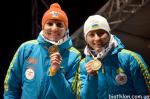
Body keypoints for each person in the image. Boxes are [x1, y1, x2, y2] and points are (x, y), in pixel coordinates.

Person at [4, 3, 81, 99]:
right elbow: (11, 85)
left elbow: (69, 96)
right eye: (49, 23)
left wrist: (56, 72)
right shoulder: (26, 48)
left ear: (66, 29)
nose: (54, 28)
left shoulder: (74, 56)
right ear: (43, 26)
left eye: (59, 24)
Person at [79, 15, 150, 99]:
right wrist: (91, 78)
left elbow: (146, 94)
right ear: (86, 38)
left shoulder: (131, 58)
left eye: (101, 33)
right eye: (91, 35)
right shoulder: (83, 65)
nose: (97, 38)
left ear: (109, 33)